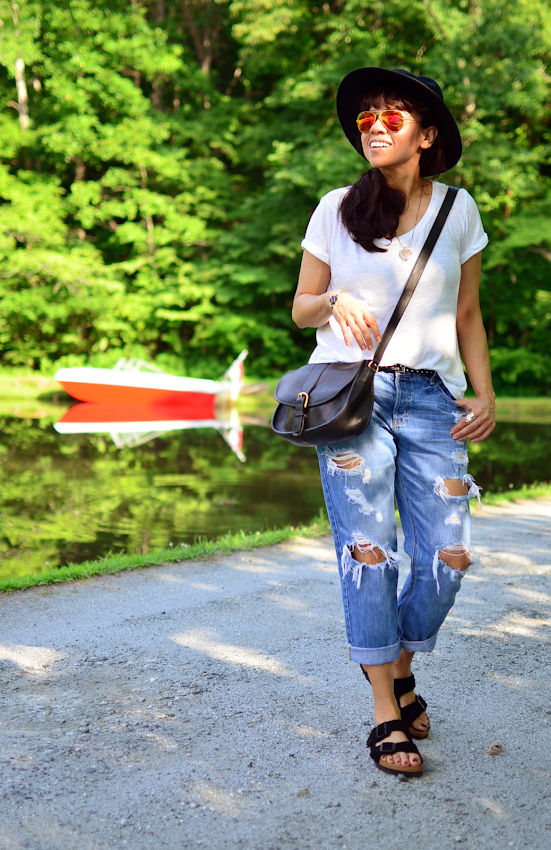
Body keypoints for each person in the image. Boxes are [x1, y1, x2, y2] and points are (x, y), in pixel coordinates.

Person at [292, 67, 495, 776]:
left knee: (447, 556)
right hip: (354, 398)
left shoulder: (457, 209)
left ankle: (401, 664)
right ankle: (385, 711)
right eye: (365, 117)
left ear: (426, 133)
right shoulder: (333, 208)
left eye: (391, 115)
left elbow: (465, 314)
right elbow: (301, 306)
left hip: (435, 400)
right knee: (367, 551)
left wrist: (484, 392)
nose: (374, 125)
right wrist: (331, 303)